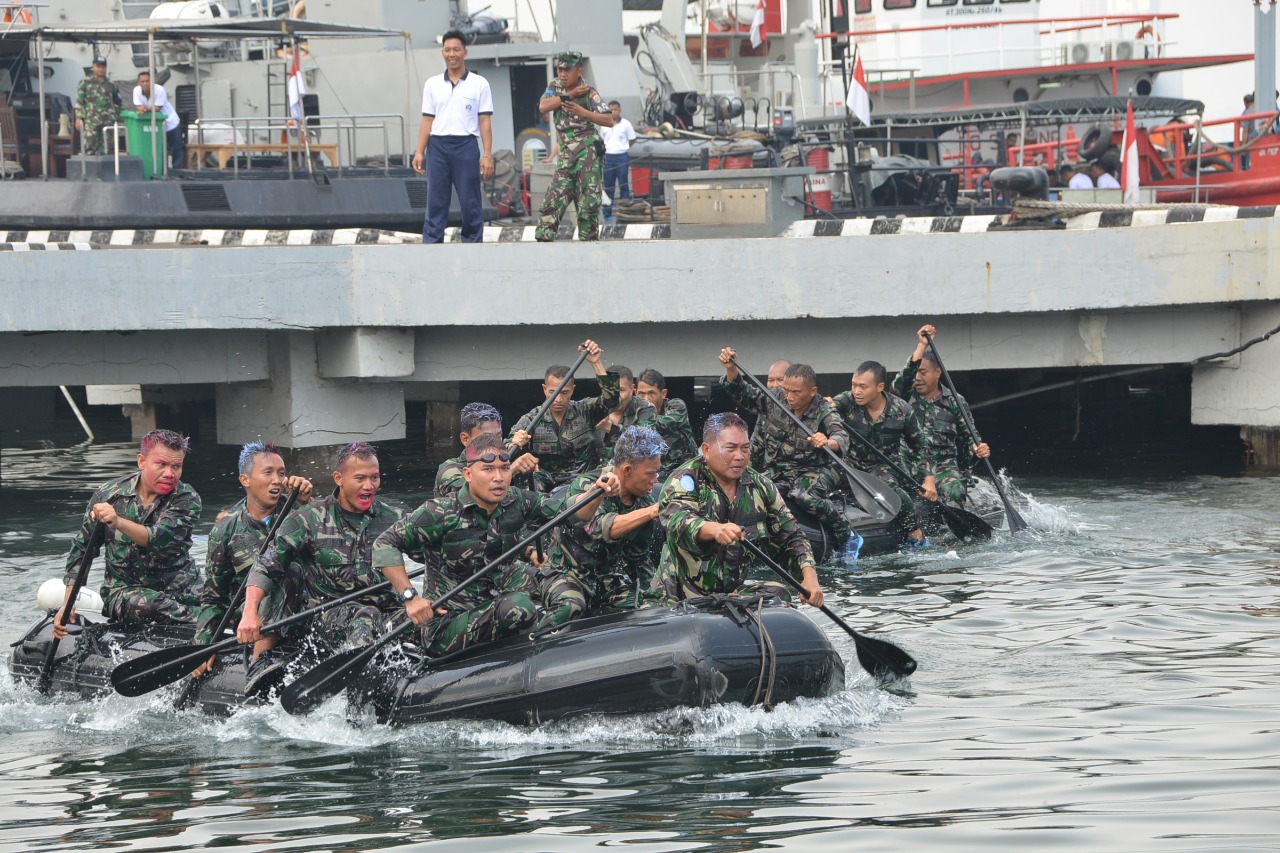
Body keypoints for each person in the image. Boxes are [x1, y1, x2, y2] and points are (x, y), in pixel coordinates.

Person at [373, 433, 617, 655]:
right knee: (519, 607)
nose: (498, 478)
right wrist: (410, 597)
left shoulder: (515, 501)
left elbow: (570, 510)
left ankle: (544, 642)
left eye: (505, 468)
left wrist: (597, 491)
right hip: (449, 623)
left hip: (498, 594)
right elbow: (384, 543)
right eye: (488, 470)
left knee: (567, 586)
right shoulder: (440, 513)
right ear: (468, 475)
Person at [237, 442, 406, 653]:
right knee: (366, 617)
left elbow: (430, 552)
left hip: (387, 609)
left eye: (374, 477)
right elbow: (265, 567)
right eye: (360, 478)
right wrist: (250, 613)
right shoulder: (308, 519)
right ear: (339, 479)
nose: (369, 486)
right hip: (330, 615)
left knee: (428, 618)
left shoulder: (394, 518)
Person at [648, 413, 824, 607]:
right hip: (678, 596)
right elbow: (678, 521)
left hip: (729, 596)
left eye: (745, 448)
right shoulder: (684, 480)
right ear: (706, 450)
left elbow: (791, 536)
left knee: (779, 594)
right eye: (730, 448)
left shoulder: (761, 486)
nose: (740, 456)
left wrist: (810, 578)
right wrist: (714, 529)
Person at [53, 429, 201, 638]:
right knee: (146, 604)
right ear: (142, 461)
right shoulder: (107, 495)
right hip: (125, 593)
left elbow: (156, 538)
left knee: (225, 605)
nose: (170, 473)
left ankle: (212, 622)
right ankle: (205, 625)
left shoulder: (186, 498)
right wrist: (68, 605)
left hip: (182, 590)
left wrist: (118, 522)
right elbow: (82, 550)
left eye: (177, 466)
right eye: (161, 464)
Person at [190, 442, 313, 676]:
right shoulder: (225, 530)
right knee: (284, 571)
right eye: (268, 473)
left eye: (281, 473)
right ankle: (259, 661)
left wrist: (309, 501)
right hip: (252, 620)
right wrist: (204, 646)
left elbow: (333, 538)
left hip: (304, 614)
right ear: (245, 480)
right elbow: (213, 597)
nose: (277, 480)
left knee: (291, 568)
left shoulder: (302, 514)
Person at [719, 350, 852, 545]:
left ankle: (845, 534)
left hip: (815, 469)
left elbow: (841, 437)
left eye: (796, 392)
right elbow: (744, 393)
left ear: (812, 391)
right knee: (750, 489)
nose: (789, 396)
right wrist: (731, 369)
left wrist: (827, 441)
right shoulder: (776, 398)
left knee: (803, 496)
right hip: (780, 469)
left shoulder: (824, 409)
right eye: (787, 390)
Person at [539, 426, 666, 626]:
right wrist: (652, 512)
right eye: (650, 473)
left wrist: (651, 595)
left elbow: (639, 559)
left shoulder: (644, 502)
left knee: (645, 611)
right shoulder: (588, 485)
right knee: (570, 607)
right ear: (627, 470)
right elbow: (601, 528)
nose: (655, 480)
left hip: (609, 580)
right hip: (568, 573)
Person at [831, 361, 931, 548]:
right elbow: (829, 408)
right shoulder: (847, 400)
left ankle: (915, 533)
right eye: (854, 385)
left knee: (895, 494)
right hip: (849, 465)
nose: (856, 391)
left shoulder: (902, 411)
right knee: (820, 480)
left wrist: (928, 479)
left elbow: (920, 447)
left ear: (880, 387)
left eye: (863, 386)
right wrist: (826, 405)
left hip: (883, 466)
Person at [891, 325, 992, 509]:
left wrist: (977, 447)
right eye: (916, 373)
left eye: (923, 373)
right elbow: (900, 383)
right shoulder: (905, 396)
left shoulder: (955, 401)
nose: (917, 378)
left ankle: (952, 529)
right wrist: (921, 345)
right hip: (909, 462)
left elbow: (969, 434)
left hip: (942, 465)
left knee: (954, 490)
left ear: (937, 373)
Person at [411, 29, 495, 244]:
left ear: (465, 52)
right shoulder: (432, 84)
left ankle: (473, 243)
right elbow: (427, 121)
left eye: (456, 49)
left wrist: (487, 155)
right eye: (447, 49)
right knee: (436, 201)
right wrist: (420, 151)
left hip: (466, 145)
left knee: (470, 201)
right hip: (437, 146)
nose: (452, 54)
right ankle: (431, 244)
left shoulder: (479, 84)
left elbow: (484, 121)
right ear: (442, 53)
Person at [509, 339, 620, 489]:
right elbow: (506, 455)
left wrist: (596, 363)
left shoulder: (585, 411)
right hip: (545, 482)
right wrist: (514, 444)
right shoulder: (531, 420)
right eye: (552, 393)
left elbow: (611, 400)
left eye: (565, 393)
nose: (559, 399)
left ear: (573, 390)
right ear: (544, 389)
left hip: (583, 480)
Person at [534, 51, 615, 242]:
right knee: (552, 201)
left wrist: (582, 111)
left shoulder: (588, 91)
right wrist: (568, 96)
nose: (562, 74)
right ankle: (543, 244)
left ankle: (588, 247)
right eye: (560, 69)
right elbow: (543, 106)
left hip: (587, 153)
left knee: (587, 204)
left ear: (578, 71)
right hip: (566, 154)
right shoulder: (555, 86)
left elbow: (608, 120)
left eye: (567, 70)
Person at [435, 402, 537, 497]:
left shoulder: (504, 456)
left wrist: (516, 445)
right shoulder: (449, 470)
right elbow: (470, 496)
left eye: (498, 436)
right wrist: (510, 471)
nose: (495, 442)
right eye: (486, 437)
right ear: (465, 439)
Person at [635, 368, 698, 475]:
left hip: (685, 469)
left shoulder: (676, 406)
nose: (646, 399)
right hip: (655, 472)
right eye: (641, 394)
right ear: (635, 393)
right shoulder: (633, 412)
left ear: (663, 393)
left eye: (651, 393)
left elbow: (659, 425)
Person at [595, 364, 656, 462]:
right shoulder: (593, 407)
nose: (615, 396)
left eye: (621, 390)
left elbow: (643, 443)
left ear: (632, 389)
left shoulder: (645, 408)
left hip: (632, 469)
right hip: (596, 472)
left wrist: (611, 429)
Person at [133, 71, 184, 171]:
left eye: (147, 81)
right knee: (158, 149)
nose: (145, 84)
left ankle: (177, 171)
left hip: (170, 122)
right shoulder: (136, 90)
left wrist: (144, 109)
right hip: (156, 126)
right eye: (142, 81)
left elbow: (157, 108)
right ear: (139, 83)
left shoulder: (159, 89)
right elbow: (138, 106)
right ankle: (160, 170)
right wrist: (141, 109)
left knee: (176, 148)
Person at [75, 55, 121, 156]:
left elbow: (117, 102)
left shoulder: (111, 84)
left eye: (103, 66)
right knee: (89, 146)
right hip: (91, 121)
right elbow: (80, 101)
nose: (101, 69)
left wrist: (115, 116)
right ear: (93, 67)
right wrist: (79, 117)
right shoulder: (85, 82)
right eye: (98, 66)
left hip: (108, 121)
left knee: (109, 147)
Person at [599, 100, 636, 224]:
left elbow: (632, 139)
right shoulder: (604, 124)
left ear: (620, 111)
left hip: (621, 156)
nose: (613, 112)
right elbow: (601, 140)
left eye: (615, 109)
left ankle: (624, 214)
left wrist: (623, 147)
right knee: (608, 187)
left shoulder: (626, 124)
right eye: (611, 109)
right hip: (608, 157)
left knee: (623, 184)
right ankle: (607, 214)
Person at [1241, 93, 1257, 171]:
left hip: (1250, 140)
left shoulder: (1247, 113)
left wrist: (1243, 146)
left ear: (1245, 102)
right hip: (1259, 138)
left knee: (1249, 164)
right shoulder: (1259, 108)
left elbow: (1245, 130)